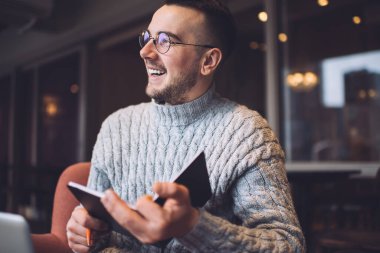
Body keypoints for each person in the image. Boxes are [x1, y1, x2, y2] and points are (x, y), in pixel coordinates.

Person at [66, 0, 306, 252]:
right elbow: (96, 228)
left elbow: (288, 245)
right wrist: (85, 233)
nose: (145, 52)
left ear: (208, 61)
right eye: (148, 38)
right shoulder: (115, 127)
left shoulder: (247, 134)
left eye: (164, 41)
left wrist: (193, 225)